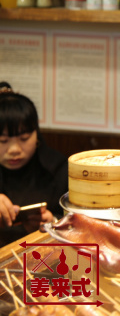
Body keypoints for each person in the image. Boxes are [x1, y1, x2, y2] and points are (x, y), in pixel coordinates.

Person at [0, 82, 68, 246]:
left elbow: (79, 224)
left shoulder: (58, 168)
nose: (14, 149)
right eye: (3, 140)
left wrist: (53, 221)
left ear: (36, 134)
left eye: (24, 139)